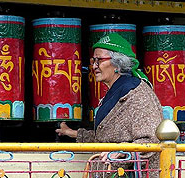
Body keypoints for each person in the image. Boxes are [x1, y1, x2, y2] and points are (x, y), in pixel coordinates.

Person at [56, 33, 163, 177]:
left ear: (117, 63)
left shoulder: (136, 92)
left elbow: (150, 141)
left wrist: (120, 151)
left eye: (99, 60)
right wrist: (71, 133)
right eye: (93, 60)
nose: (94, 66)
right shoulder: (116, 91)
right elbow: (106, 137)